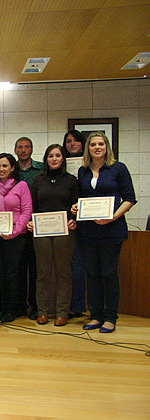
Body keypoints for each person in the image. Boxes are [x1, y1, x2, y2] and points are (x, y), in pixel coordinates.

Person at [72, 132, 136, 333]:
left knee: (108, 273)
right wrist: (76, 207)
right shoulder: (83, 171)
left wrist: (113, 216)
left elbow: (130, 198)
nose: (97, 147)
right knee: (92, 273)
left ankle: (110, 317)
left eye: (101, 144)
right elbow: (82, 198)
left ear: (107, 146)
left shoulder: (118, 168)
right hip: (88, 231)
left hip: (112, 230)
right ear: (88, 148)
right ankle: (96, 315)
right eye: (93, 145)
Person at [27, 144, 80, 326]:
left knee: (63, 272)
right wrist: (31, 221)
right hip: (41, 231)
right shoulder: (37, 180)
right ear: (46, 159)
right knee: (43, 273)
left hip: (64, 231)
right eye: (51, 156)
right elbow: (32, 206)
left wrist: (73, 219)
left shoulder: (71, 180)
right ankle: (43, 312)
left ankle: (62, 312)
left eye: (58, 155)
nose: (54, 159)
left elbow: (76, 204)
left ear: (63, 158)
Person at [0, 153, 32, 323]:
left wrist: (14, 231)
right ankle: (1, 308)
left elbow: (26, 211)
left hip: (15, 237)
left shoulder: (21, 185)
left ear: (12, 168)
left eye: (5, 166)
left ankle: (14, 308)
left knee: (13, 273)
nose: (1, 169)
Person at [14, 137, 43, 320]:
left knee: (35, 268)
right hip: (16, 228)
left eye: (27, 147)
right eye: (20, 147)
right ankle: (18, 306)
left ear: (32, 149)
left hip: (38, 225)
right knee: (18, 268)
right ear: (15, 150)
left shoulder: (41, 169)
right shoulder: (10, 169)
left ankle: (35, 307)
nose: (23, 150)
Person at [63, 130, 88, 318]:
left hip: (91, 222)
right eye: (68, 141)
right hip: (68, 223)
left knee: (88, 268)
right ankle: (73, 306)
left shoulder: (89, 168)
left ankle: (86, 307)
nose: (72, 144)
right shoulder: (63, 171)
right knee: (74, 267)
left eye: (76, 141)